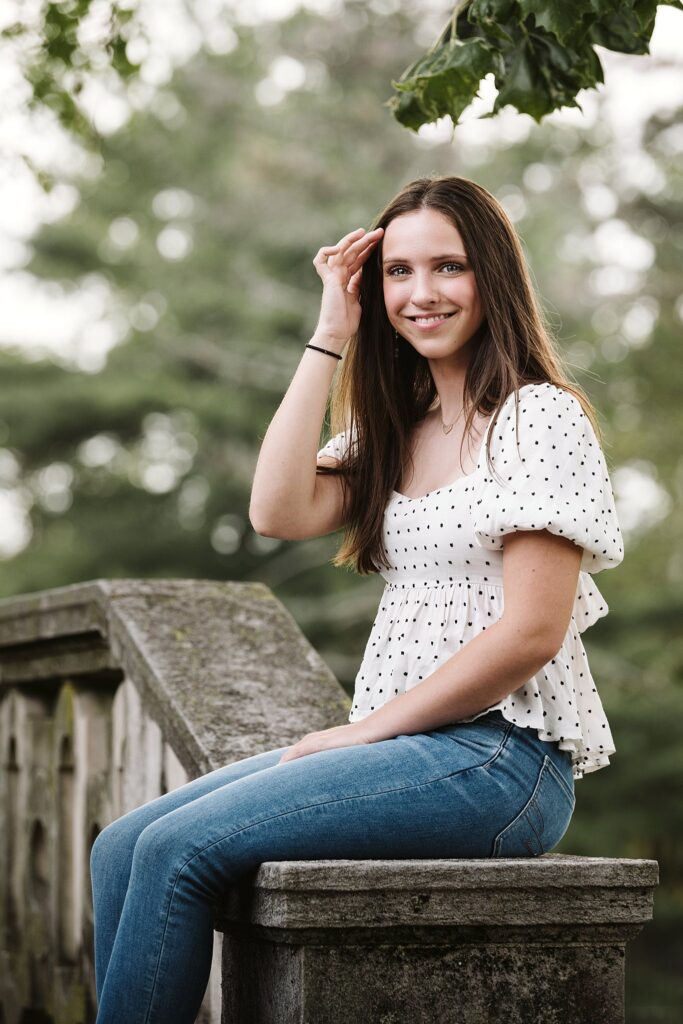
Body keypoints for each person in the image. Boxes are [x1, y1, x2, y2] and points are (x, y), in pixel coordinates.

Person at [90, 175, 624, 1022]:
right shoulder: (393, 429)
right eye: (397, 272)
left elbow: (530, 632)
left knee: (177, 852)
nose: (421, 294)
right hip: (407, 751)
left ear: (491, 277)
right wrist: (329, 333)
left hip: (500, 760)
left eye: (447, 267)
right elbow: (276, 509)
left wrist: (366, 728)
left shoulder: (537, 418)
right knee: (123, 847)